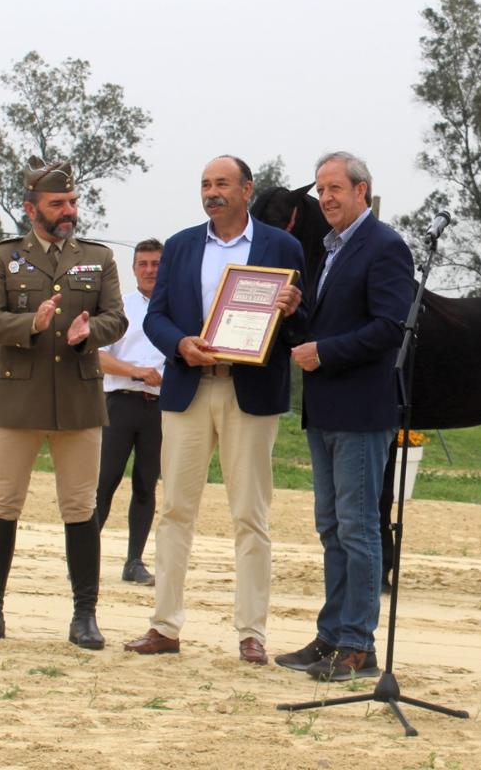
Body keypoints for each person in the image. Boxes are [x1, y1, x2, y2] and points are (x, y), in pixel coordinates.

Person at [122, 155, 304, 664]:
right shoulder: (179, 247)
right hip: (187, 390)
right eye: (205, 184)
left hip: (251, 394)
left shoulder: (283, 247)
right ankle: (164, 627)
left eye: (222, 183)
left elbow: (302, 321)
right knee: (176, 510)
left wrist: (292, 308)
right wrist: (180, 344)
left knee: (250, 514)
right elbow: (156, 318)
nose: (212, 192)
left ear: (247, 189)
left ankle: (252, 633)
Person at [0, 157, 127, 650]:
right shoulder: (2, 257)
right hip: (18, 397)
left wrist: (88, 332)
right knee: (4, 502)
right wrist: (31, 325)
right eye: (58, 204)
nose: (68, 210)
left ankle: (85, 616)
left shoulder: (98, 257)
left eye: (72, 202)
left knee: (81, 507)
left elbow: (115, 319)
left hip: (78, 397)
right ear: (31, 209)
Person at [276, 151, 414, 682]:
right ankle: (331, 635)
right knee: (332, 527)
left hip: (360, 410)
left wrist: (325, 352)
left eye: (335, 188)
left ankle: (358, 645)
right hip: (327, 407)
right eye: (320, 190)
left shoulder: (385, 246)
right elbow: (328, 322)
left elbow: (391, 326)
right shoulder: (330, 249)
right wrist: (296, 311)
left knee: (358, 529)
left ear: (362, 191)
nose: (326, 198)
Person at [96, 238, 165, 586]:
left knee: (145, 485)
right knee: (105, 481)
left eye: (156, 263)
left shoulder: (178, 309)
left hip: (159, 409)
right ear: (134, 267)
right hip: (121, 404)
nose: (150, 270)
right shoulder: (118, 308)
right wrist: (136, 372)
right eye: (144, 264)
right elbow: (99, 356)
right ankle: (85, 555)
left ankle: (134, 560)